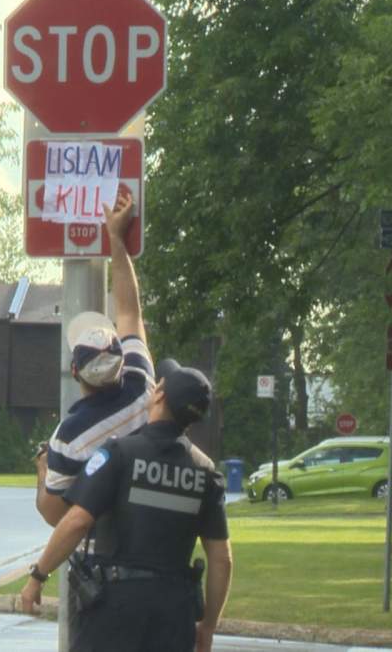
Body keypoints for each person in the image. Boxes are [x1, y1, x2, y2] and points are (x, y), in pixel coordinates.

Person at [20, 363, 233, 652]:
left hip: (114, 609)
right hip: (174, 614)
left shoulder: (119, 453)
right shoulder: (207, 473)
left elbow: (76, 522)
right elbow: (221, 560)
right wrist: (207, 627)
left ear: (158, 396)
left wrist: (38, 576)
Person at [35, 189, 158, 528]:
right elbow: (130, 311)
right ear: (122, 360)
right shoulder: (142, 387)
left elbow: (52, 514)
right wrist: (116, 239)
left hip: (102, 557)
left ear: (75, 372)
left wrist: (43, 466)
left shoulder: (69, 437)